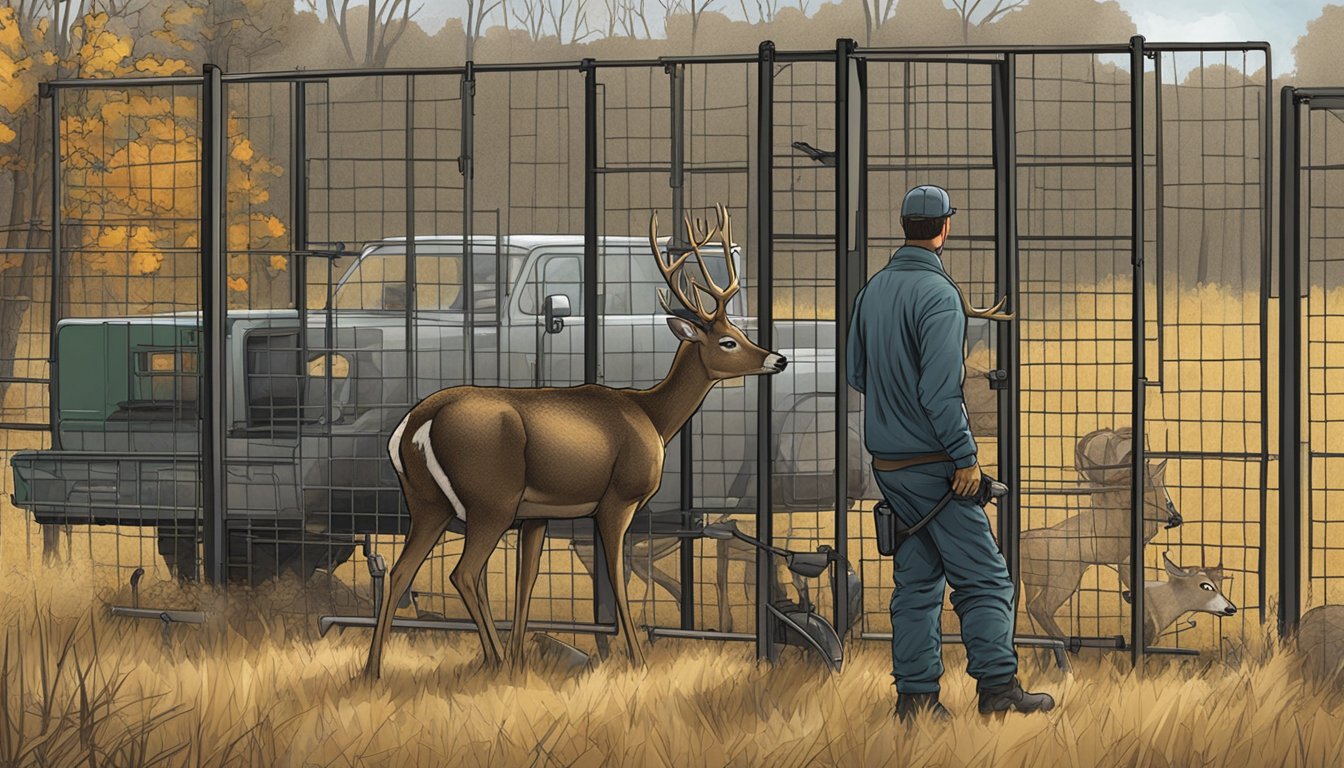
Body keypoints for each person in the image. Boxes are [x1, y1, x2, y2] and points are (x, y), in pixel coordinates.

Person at [846, 184, 1055, 723]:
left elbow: (856, 374)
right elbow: (941, 393)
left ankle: (915, 701)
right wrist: (965, 459)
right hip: (936, 465)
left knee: (917, 581)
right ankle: (998, 689)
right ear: (945, 228)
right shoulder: (939, 297)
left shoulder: (872, 291)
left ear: (904, 226)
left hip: (889, 465)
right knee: (985, 578)